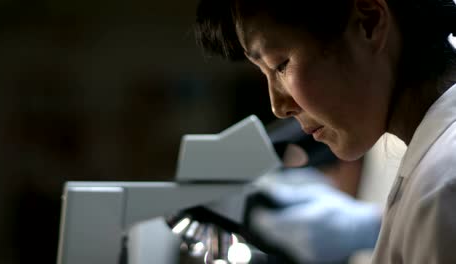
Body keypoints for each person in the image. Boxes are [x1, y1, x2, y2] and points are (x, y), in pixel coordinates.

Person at [193, 0, 456, 263]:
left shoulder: (443, 189)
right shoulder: (432, 172)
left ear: (369, 23)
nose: (278, 106)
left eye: (280, 65)